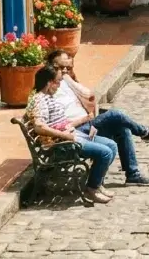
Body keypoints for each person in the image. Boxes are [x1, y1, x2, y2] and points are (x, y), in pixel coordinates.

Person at [43, 48, 149, 185]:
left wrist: (92, 117)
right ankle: (144, 132)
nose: (65, 71)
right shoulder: (48, 88)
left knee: (121, 127)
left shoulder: (67, 82)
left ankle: (133, 174)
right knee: (116, 114)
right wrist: (85, 120)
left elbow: (89, 100)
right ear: (50, 66)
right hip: (76, 131)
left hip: (88, 125)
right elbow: (57, 122)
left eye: (68, 68)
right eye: (60, 67)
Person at [24, 64, 116, 203]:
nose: (59, 85)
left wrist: (85, 122)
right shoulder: (39, 100)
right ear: (49, 83)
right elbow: (39, 126)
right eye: (58, 82)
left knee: (112, 145)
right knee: (105, 153)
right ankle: (92, 188)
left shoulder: (48, 96)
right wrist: (66, 136)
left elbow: (59, 122)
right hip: (61, 145)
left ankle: (98, 183)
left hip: (73, 135)